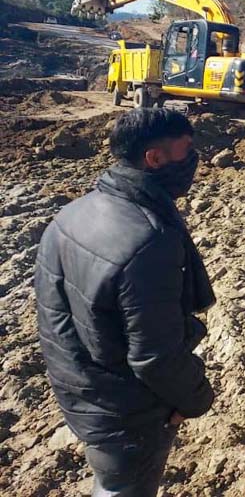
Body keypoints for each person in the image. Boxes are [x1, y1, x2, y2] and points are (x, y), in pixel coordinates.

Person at [35, 108, 216, 497]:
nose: (195, 162)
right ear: (155, 158)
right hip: (126, 413)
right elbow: (155, 355)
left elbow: (54, 314)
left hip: (82, 390)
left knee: (112, 483)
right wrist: (197, 397)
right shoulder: (149, 241)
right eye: (187, 151)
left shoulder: (72, 214)